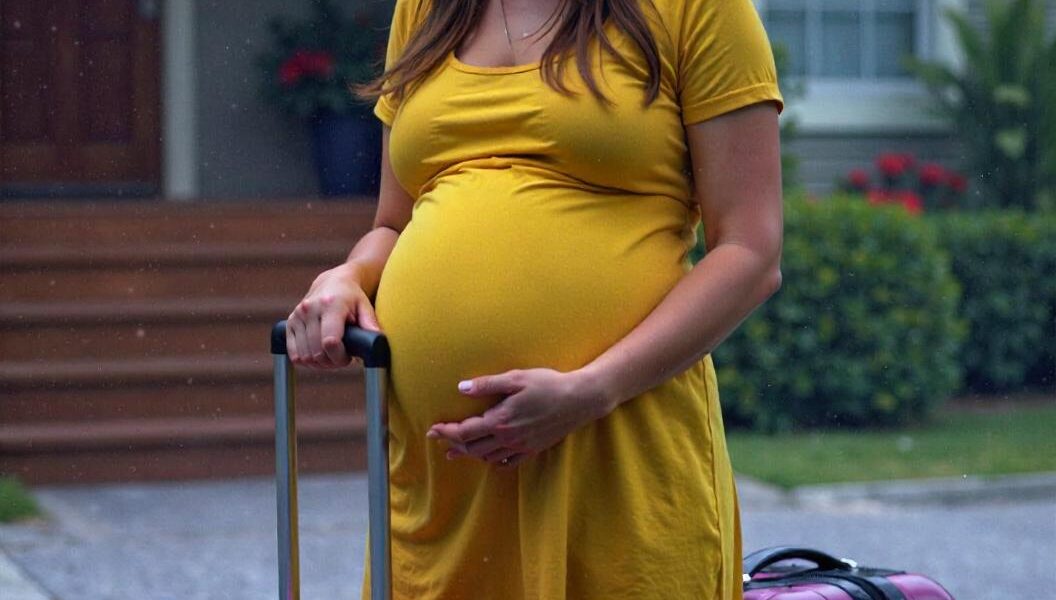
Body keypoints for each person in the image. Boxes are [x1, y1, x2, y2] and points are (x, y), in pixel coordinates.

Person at [284, 0, 784, 597]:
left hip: (613, 446)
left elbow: (751, 252)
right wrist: (347, 276)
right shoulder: (426, 8)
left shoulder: (697, 9)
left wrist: (595, 389)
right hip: (443, 482)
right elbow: (394, 222)